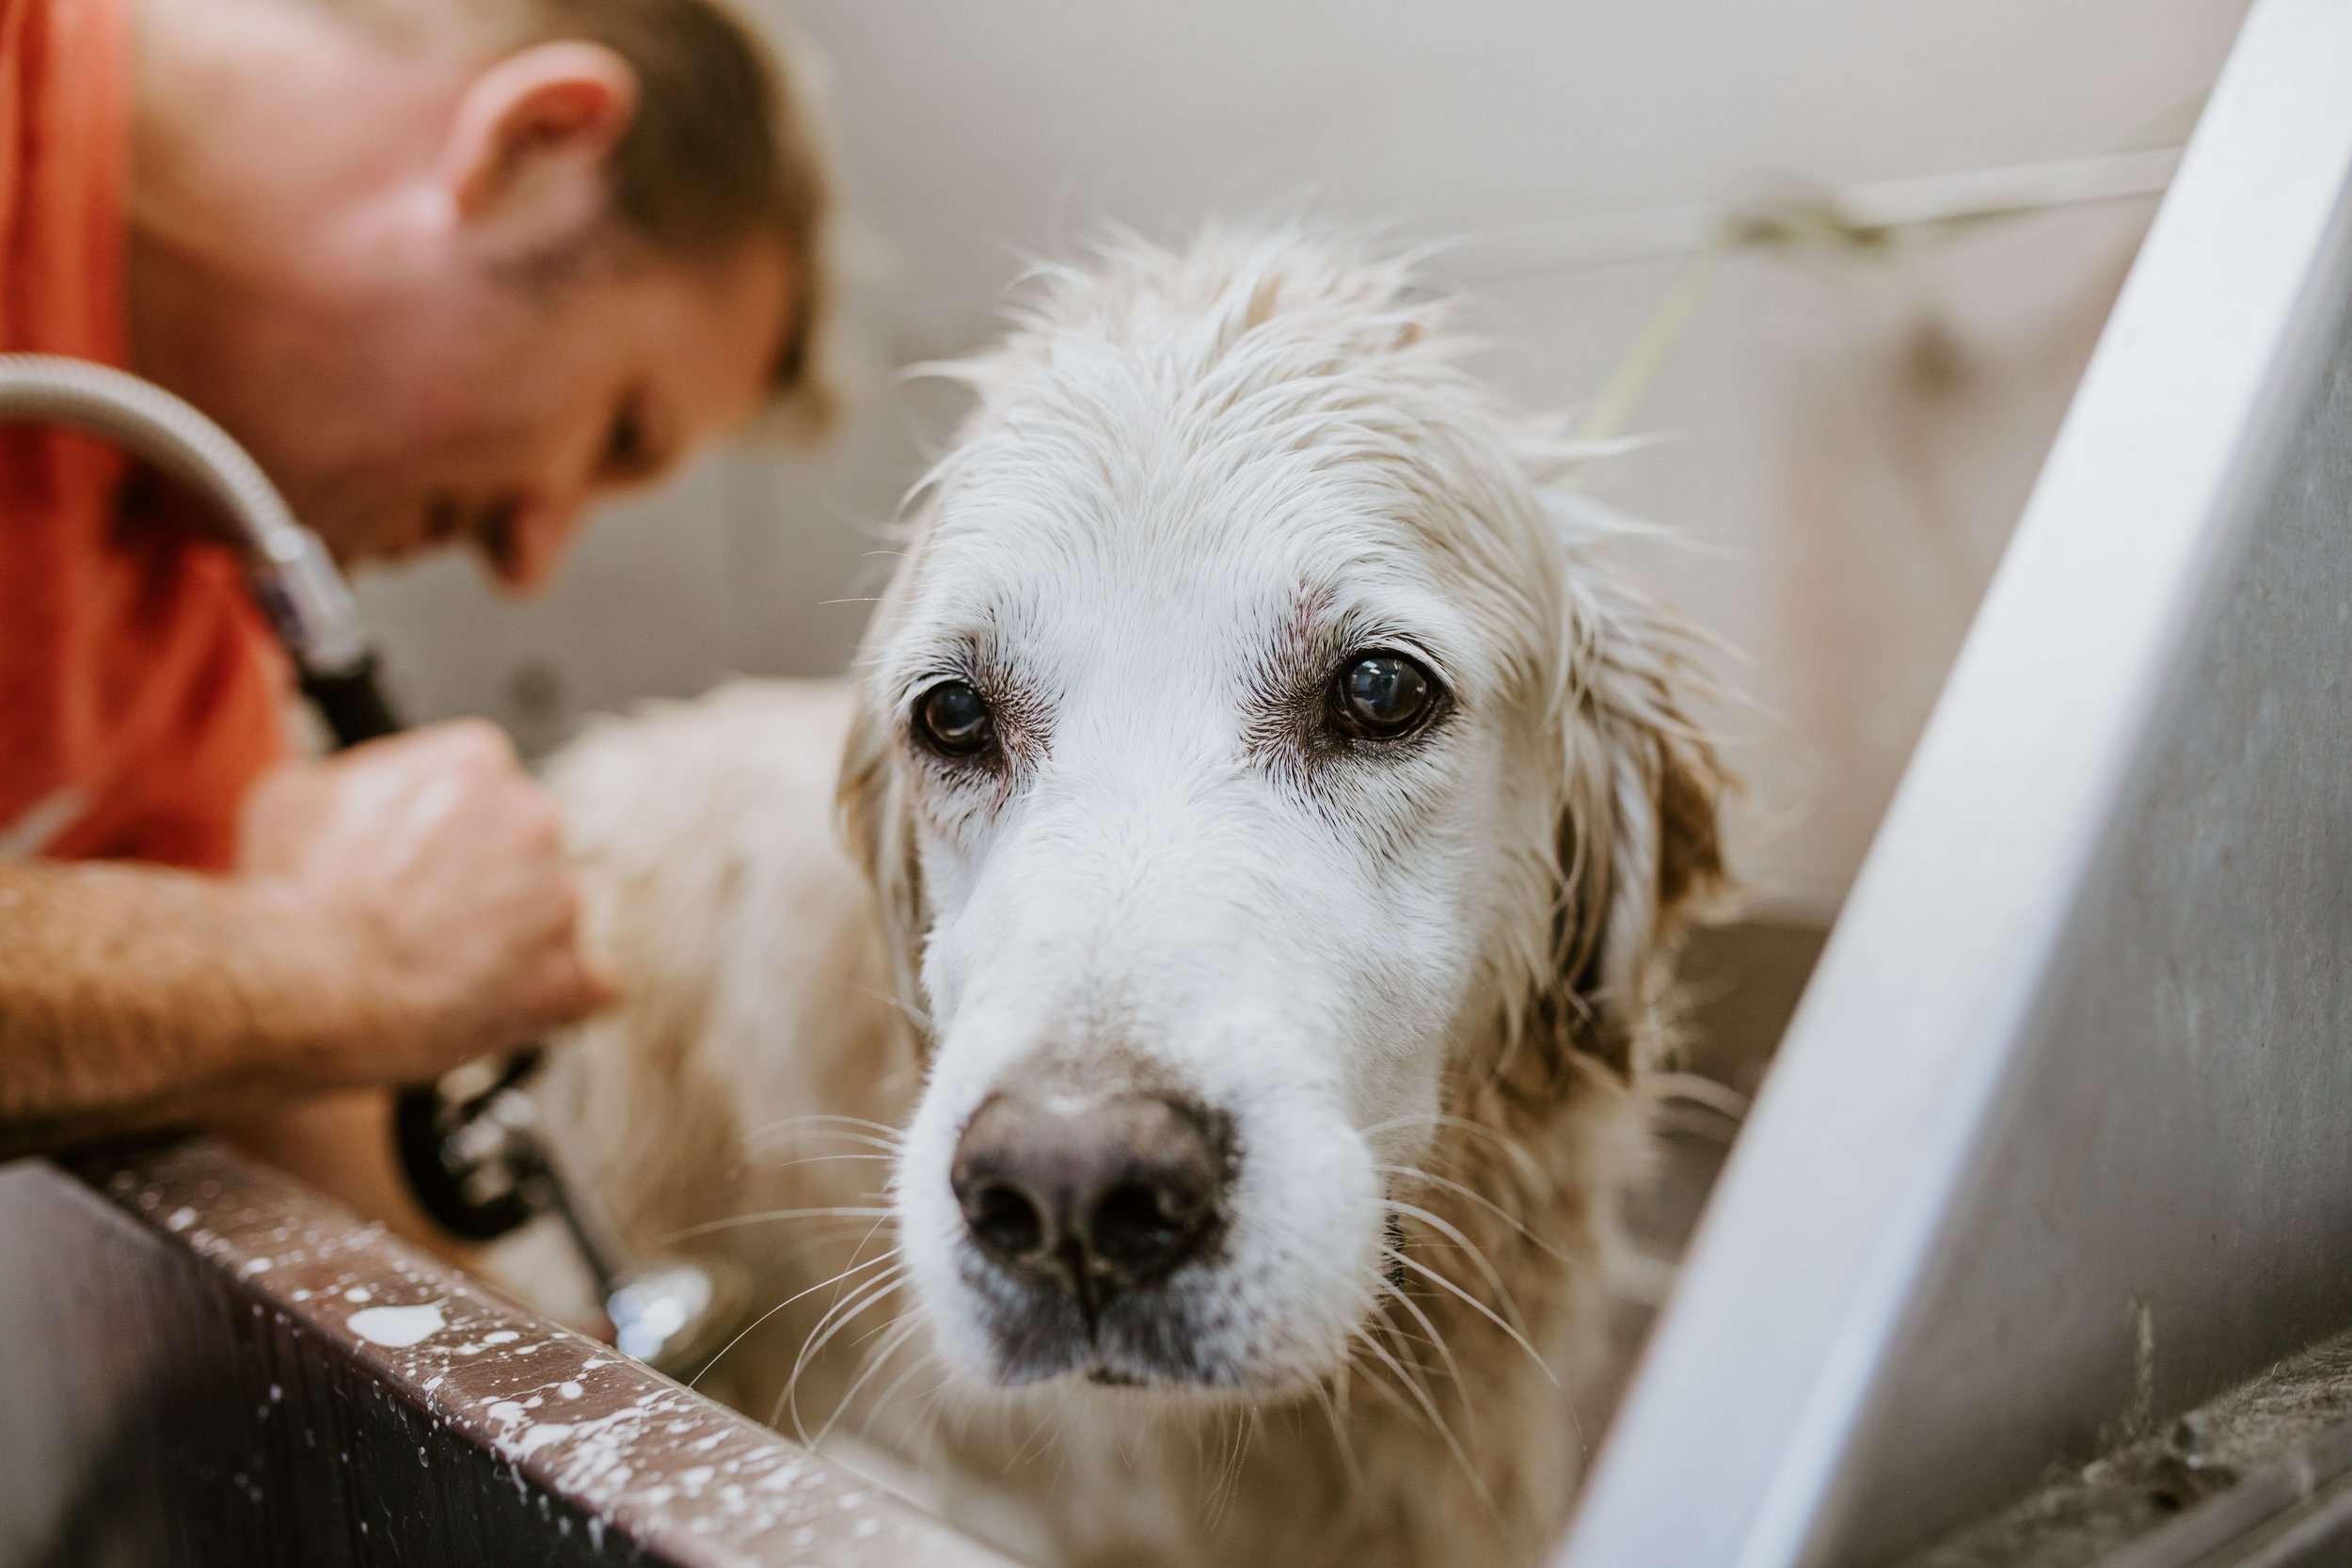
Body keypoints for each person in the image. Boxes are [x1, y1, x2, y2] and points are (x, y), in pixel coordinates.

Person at [0, 0, 831, 1233]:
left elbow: (313, 1143)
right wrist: (323, 961)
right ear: (537, 147)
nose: (528, 560)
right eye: (616, 432)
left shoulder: (183, 621)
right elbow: (282, 976)